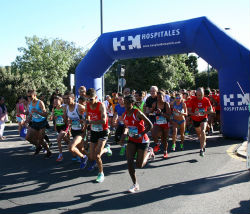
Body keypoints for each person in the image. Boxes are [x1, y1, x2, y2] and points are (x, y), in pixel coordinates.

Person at [119, 95, 154, 193]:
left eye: (127, 103)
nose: (125, 104)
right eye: (124, 102)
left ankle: (149, 152)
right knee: (129, 161)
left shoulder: (137, 113)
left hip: (142, 140)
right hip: (131, 140)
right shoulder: (124, 114)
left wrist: (140, 134)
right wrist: (123, 136)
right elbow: (126, 126)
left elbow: (150, 125)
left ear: (132, 103)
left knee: (139, 165)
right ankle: (135, 184)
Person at [85, 88, 112, 183]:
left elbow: (104, 120)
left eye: (91, 99)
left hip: (103, 131)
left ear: (96, 97)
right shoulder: (87, 105)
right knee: (91, 157)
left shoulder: (101, 105)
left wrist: (90, 121)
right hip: (93, 131)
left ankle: (101, 173)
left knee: (96, 156)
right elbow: (87, 116)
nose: (89, 101)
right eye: (87, 99)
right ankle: (106, 149)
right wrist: (86, 125)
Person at [25, 90, 52, 157]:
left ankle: (48, 152)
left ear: (34, 95)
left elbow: (46, 114)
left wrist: (37, 112)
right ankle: (38, 146)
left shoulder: (40, 103)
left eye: (30, 96)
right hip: (34, 122)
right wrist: (28, 119)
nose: (29, 98)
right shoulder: (29, 103)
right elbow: (31, 114)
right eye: (28, 96)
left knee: (40, 139)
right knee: (28, 137)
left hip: (42, 123)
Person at [188, 87, 213, 157]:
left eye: (201, 94)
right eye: (198, 95)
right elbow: (189, 111)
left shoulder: (206, 99)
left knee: (203, 131)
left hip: (203, 118)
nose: (200, 96)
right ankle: (203, 142)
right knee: (199, 135)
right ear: (196, 94)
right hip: (195, 119)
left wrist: (205, 112)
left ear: (203, 94)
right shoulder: (192, 100)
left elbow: (210, 110)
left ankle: (201, 149)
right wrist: (194, 114)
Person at [66, 93, 88, 168]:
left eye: (68, 99)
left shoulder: (79, 107)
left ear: (73, 98)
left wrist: (84, 122)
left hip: (81, 131)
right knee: (81, 149)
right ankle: (92, 159)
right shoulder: (66, 107)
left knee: (71, 147)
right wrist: (69, 124)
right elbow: (68, 119)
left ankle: (83, 158)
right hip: (73, 130)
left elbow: (88, 116)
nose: (66, 101)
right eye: (64, 99)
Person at [151, 91, 171, 158]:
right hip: (158, 123)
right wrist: (151, 111)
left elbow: (169, 116)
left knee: (164, 139)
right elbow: (151, 111)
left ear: (164, 97)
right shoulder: (154, 104)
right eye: (158, 97)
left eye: (160, 97)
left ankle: (165, 151)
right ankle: (157, 144)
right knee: (153, 133)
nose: (159, 99)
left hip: (165, 123)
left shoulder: (166, 104)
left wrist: (161, 113)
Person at [50, 96, 70, 162]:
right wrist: (55, 125)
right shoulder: (54, 109)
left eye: (56, 101)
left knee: (58, 139)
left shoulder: (63, 108)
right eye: (54, 101)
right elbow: (53, 118)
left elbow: (64, 118)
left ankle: (60, 155)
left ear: (60, 101)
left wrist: (58, 116)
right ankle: (72, 146)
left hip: (64, 126)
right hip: (58, 126)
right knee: (66, 140)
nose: (55, 102)